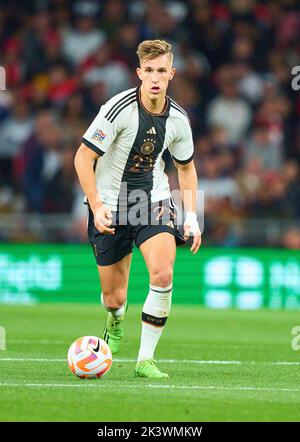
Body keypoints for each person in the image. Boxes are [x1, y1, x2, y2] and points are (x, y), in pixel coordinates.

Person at [74, 39, 201, 378]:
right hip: (110, 205)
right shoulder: (118, 109)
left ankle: (145, 359)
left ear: (171, 74)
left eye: (162, 71)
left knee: (163, 274)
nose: (156, 77)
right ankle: (115, 321)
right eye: (149, 71)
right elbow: (83, 157)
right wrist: (97, 205)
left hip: (151, 200)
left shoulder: (178, 120)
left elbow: (186, 168)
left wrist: (191, 215)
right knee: (114, 297)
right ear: (139, 73)